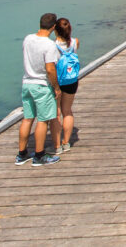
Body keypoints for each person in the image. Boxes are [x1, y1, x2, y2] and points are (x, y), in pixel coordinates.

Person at [16, 13, 61, 166]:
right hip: (41, 85)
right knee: (43, 121)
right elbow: (50, 69)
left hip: (27, 83)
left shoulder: (28, 39)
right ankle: (39, 155)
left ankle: (21, 154)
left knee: (27, 118)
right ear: (54, 27)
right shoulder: (49, 45)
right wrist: (56, 87)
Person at [52, 17, 80, 154]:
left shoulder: (52, 46)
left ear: (55, 31)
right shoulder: (75, 42)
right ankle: (66, 143)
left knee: (57, 113)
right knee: (67, 111)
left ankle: (57, 146)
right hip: (72, 81)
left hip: (58, 82)